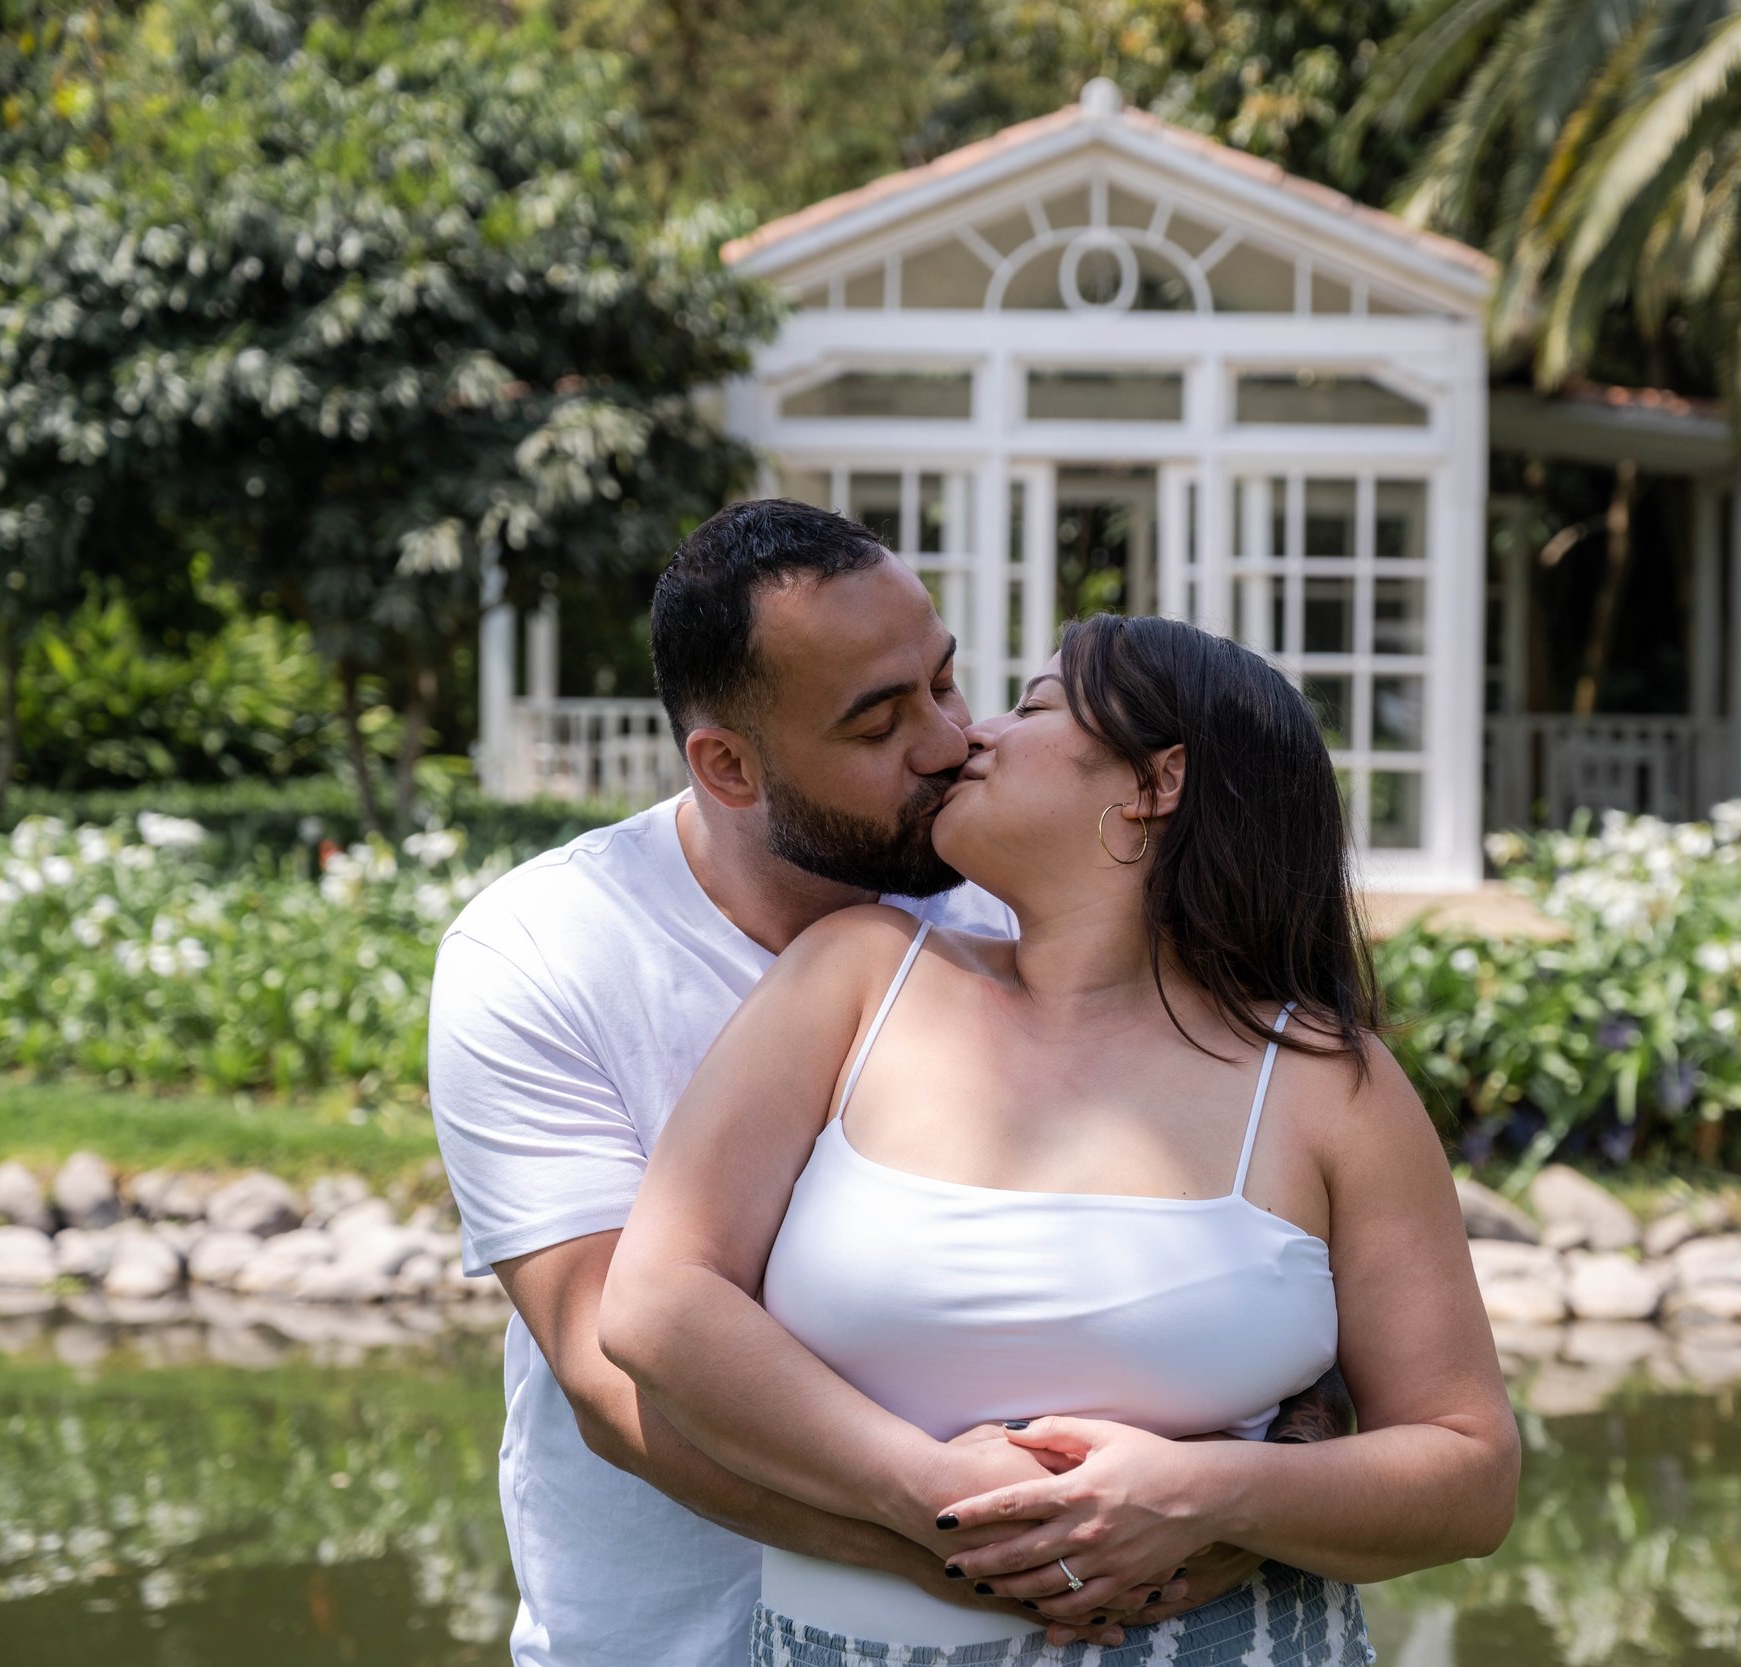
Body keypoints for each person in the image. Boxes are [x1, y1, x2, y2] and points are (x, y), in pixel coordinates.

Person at [427, 500, 1345, 1667]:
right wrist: (972, 1547)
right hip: (665, 1633)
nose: (949, 739)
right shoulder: (545, 950)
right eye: (878, 723)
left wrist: (1236, 1504)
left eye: (948, 683)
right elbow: (614, 1378)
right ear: (729, 765)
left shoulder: (1019, 882)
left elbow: (1290, 1260)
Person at [598, 612, 1522, 1665]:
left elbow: (1469, 1471)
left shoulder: (1322, 1078)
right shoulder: (858, 972)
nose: (969, 735)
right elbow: (659, 1298)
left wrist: (1203, 1491)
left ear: (1154, 781)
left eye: (1034, 705)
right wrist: (934, 1489)